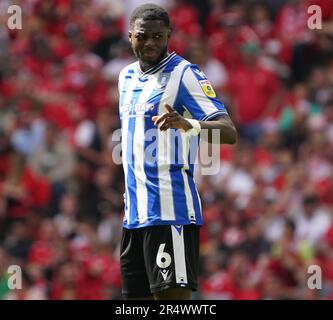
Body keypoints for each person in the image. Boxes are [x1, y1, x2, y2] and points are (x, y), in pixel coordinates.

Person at [118, 3, 237, 300]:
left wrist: (189, 125)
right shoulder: (126, 77)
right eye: (143, 35)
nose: (151, 43)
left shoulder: (184, 74)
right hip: (134, 216)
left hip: (170, 213)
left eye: (158, 36)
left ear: (169, 35)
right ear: (130, 35)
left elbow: (229, 131)